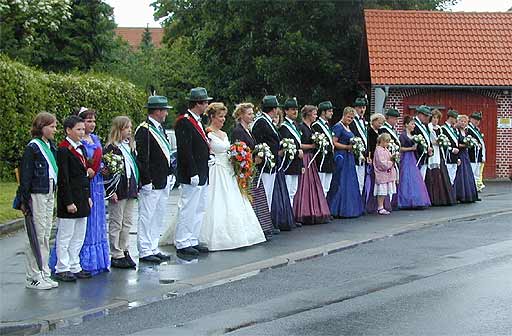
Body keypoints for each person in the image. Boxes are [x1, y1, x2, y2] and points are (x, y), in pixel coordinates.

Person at [199, 103, 266, 250]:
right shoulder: (208, 133)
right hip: (216, 170)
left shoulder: (223, 134)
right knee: (216, 201)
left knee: (235, 199)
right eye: (220, 117)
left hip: (228, 169)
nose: (223, 119)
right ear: (212, 117)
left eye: (224, 116)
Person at [17, 112, 59, 289]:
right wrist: (25, 200)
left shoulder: (50, 146)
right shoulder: (33, 147)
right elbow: (26, 175)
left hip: (49, 191)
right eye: (52, 126)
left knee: (45, 233)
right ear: (42, 127)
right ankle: (33, 275)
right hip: (37, 193)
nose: (55, 129)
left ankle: (43, 271)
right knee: (37, 233)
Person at [135, 95, 175, 262]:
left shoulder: (159, 129)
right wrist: (146, 180)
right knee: (147, 215)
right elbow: (142, 158)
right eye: (164, 110)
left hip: (163, 179)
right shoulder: (144, 130)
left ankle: (153, 246)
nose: (166, 113)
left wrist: (171, 172)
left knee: (158, 215)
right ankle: (144, 249)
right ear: (157, 111)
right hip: (151, 181)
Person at [174, 88, 212, 256]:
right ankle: (183, 241)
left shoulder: (197, 121)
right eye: (205, 102)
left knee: (199, 207)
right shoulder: (184, 121)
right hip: (192, 172)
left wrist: (208, 156)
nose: (207, 105)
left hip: (202, 170)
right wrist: (192, 172)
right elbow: (185, 150)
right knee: (188, 207)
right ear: (198, 103)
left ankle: (192, 238)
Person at [53, 115, 92, 282]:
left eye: (83, 129)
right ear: (68, 130)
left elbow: (84, 175)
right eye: (78, 129)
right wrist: (68, 201)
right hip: (70, 198)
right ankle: (62, 267)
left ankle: (75, 264)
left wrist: (88, 196)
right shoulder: (63, 149)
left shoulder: (81, 148)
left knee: (79, 234)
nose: (82, 132)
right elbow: (64, 178)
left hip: (82, 196)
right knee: (65, 235)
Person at [231, 103, 274, 240]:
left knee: (258, 197)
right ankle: (257, 228)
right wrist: (252, 159)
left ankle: (264, 227)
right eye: (249, 114)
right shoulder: (238, 131)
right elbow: (238, 151)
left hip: (253, 169)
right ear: (241, 115)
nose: (252, 116)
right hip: (246, 169)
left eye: (252, 113)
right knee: (251, 198)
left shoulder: (248, 130)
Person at [77, 108, 109, 275]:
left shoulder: (95, 139)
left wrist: (104, 167)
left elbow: (100, 160)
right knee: (86, 222)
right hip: (86, 183)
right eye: (88, 121)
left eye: (93, 121)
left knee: (98, 220)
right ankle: (83, 261)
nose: (92, 124)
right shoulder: (79, 141)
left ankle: (99, 260)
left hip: (97, 184)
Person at [104, 116, 139, 269]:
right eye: (126, 128)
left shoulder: (129, 147)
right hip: (118, 188)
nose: (129, 131)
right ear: (118, 129)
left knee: (127, 221)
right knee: (116, 221)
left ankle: (125, 249)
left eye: (130, 128)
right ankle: (116, 252)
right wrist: (111, 191)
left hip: (130, 186)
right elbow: (108, 172)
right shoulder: (112, 148)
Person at [294, 105, 331, 225]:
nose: (316, 116)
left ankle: (312, 210)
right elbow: (299, 144)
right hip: (305, 157)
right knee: (303, 185)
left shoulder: (311, 128)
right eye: (314, 114)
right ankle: (301, 212)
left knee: (312, 185)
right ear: (308, 114)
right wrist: (312, 146)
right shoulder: (301, 127)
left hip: (311, 158)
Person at [327, 107, 364, 218]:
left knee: (349, 181)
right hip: (341, 156)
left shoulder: (348, 127)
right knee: (340, 181)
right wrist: (347, 147)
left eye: (352, 118)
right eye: (348, 117)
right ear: (343, 115)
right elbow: (334, 143)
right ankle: (336, 209)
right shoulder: (338, 127)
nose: (350, 119)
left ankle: (349, 208)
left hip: (349, 157)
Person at [252, 95, 281, 210]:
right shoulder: (261, 122)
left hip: (271, 163)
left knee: (268, 193)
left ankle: (267, 222)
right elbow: (257, 141)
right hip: (264, 164)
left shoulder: (268, 122)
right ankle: (263, 223)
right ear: (274, 109)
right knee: (264, 194)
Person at [397, 116, 431, 209]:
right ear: (406, 124)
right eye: (412, 124)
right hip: (406, 157)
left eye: (414, 124)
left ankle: (415, 199)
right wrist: (411, 148)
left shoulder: (414, 135)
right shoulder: (403, 135)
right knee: (406, 177)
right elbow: (400, 148)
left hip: (413, 157)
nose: (413, 126)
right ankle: (405, 200)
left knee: (415, 178)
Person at [270, 109, 296, 231]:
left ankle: (288, 216)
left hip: (279, 162)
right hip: (277, 162)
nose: (276, 120)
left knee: (290, 190)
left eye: (277, 118)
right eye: (274, 117)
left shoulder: (277, 130)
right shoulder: (277, 129)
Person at [425, 109, 456, 206]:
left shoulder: (439, 128)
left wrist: (442, 143)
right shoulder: (428, 127)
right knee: (432, 173)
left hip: (439, 151)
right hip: (432, 150)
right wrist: (436, 142)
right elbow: (429, 140)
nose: (435, 120)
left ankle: (440, 197)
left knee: (440, 173)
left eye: (437, 118)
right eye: (434, 118)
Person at [278, 98, 304, 207]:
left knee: (293, 191)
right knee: (288, 190)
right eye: (292, 109)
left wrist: (302, 164)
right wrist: (296, 151)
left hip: (297, 162)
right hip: (288, 163)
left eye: (296, 109)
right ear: (286, 111)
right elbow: (284, 145)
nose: (295, 112)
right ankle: (288, 216)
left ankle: (291, 215)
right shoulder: (283, 127)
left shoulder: (296, 125)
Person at [365, 113, 389, 213]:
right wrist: (368, 156)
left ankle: (379, 204)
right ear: (374, 120)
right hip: (374, 156)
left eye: (382, 123)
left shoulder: (380, 131)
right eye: (379, 122)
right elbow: (369, 145)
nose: (380, 124)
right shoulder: (369, 131)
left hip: (380, 155)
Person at [311, 101, 335, 197]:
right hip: (321, 159)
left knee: (326, 187)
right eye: (329, 111)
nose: (331, 113)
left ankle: (323, 207)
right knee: (320, 186)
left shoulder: (328, 125)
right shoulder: (316, 125)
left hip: (329, 159)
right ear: (323, 112)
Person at [379, 107, 401, 209]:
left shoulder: (392, 130)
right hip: (388, 157)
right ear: (389, 118)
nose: (396, 121)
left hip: (393, 157)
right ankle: (385, 204)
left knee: (393, 180)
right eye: (394, 118)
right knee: (387, 181)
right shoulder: (384, 129)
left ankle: (390, 202)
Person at [454, 115, 479, 203]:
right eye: (461, 121)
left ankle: (469, 194)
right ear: (458, 121)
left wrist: (470, 144)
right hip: (459, 154)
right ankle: (459, 194)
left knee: (468, 173)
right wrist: (465, 145)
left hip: (465, 154)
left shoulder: (466, 132)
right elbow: (456, 143)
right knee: (460, 173)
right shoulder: (456, 131)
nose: (463, 123)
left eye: (465, 122)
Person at [373, 133, 397, 215]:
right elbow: (381, 163)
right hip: (382, 174)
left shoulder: (385, 149)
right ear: (381, 141)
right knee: (381, 192)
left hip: (387, 174)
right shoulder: (378, 150)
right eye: (386, 142)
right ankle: (380, 207)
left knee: (385, 191)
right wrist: (391, 163)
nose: (387, 144)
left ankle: (383, 206)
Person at [350, 97, 369, 195]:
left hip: (364, 155)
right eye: (360, 108)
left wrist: (368, 154)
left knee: (362, 180)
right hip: (355, 154)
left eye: (364, 108)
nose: (362, 110)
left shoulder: (365, 121)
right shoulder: (352, 121)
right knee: (356, 179)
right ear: (355, 108)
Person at [412, 105, 433, 180]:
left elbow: (428, 139)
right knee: (417, 178)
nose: (427, 118)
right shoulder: (414, 124)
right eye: (425, 116)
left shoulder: (425, 125)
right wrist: (424, 149)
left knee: (422, 178)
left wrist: (431, 150)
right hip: (417, 156)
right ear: (420, 114)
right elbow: (414, 140)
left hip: (425, 156)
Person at [441, 109, 461, 188]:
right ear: (451, 118)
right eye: (455, 118)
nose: (456, 120)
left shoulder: (454, 130)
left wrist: (458, 157)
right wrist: (451, 149)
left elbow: (456, 143)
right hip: (447, 155)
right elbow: (442, 143)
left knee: (453, 177)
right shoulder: (443, 129)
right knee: (448, 176)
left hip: (455, 156)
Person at [467, 112, 486, 192]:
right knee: (472, 173)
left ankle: (475, 188)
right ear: (470, 119)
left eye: (478, 120)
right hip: (472, 155)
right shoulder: (468, 129)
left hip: (477, 155)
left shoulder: (476, 130)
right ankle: (471, 189)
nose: (477, 121)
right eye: (475, 119)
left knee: (477, 174)